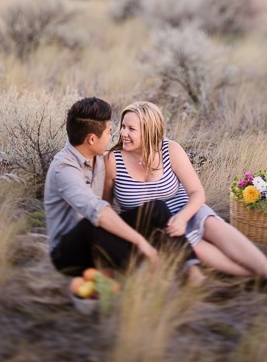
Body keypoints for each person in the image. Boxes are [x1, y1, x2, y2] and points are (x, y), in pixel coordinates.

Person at [103, 101, 267, 301]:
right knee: (195, 246)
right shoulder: (113, 160)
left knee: (212, 223)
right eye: (123, 126)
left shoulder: (170, 150)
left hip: (185, 209)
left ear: (149, 130)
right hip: (156, 227)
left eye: (131, 129)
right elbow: (106, 207)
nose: (123, 133)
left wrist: (183, 217)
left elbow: (196, 192)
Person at [44, 96, 202, 280]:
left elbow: (107, 205)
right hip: (68, 252)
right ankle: (141, 277)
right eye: (109, 132)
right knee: (91, 223)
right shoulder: (63, 169)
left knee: (155, 207)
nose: (115, 135)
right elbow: (99, 212)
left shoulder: (99, 158)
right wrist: (140, 242)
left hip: (98, 232)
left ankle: (191, 269)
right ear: (92, 139)